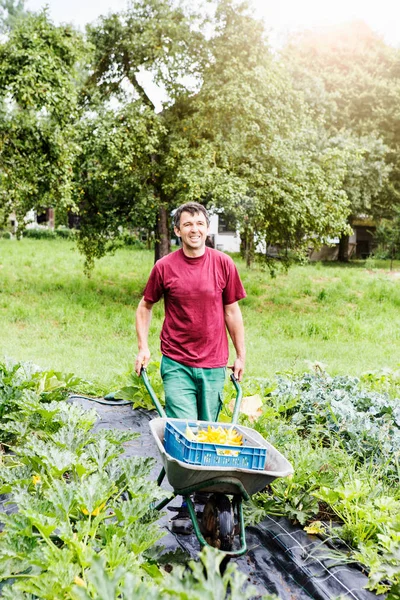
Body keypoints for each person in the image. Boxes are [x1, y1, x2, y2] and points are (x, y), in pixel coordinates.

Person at [135, 202, 246, 531]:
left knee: (208, 432)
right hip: (177, 362)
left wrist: (240, 356)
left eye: (200, 223)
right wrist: (143, 348)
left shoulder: (223, 264)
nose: (194, 229)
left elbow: (232, 313)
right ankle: (187, 503)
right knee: (184, 432)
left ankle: (200, 495)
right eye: (188, 224)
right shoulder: (165, 267)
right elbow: (145, 307)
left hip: (214, 363)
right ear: (178, 231)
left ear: (207, 228)